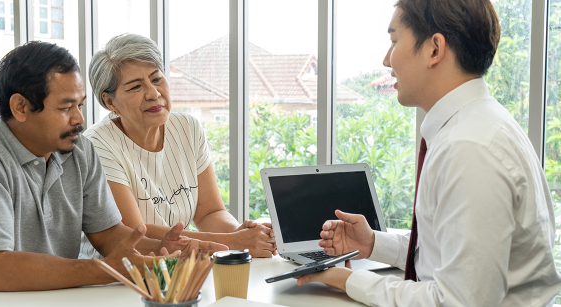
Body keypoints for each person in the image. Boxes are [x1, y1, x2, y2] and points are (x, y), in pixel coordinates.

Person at [0, 41, 226, 306]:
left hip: (43, 299)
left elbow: (108, 235)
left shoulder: (78, 149)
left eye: (80, 104)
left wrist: (165, 251)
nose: (79, 118)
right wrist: (110, 270)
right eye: (65, 107)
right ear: (20, 107)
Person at [296, 0, 561, 305]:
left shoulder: (470, 149)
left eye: (394, 41)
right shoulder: (476, 126)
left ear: (435, 48)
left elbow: (459, 301)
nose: (386, 60)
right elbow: (453, 251)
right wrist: (373, 243)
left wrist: (351, 281)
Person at [79, 34, 276, 259]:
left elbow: (210, 213)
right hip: (120, 278)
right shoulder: (97, 144)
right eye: (135, 87)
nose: (153, 93)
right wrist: (232, 242)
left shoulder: (187, 127)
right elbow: (137, 235)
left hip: (179, 268)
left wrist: (244, 234)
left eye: (156, 79)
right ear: (110, 102)